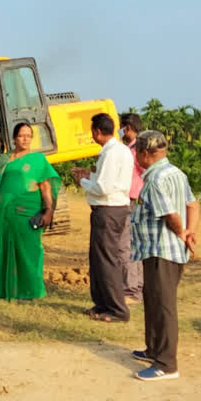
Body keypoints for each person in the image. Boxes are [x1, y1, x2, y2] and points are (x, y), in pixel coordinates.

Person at [130, 131, 199, 381]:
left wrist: (181, 232)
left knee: (163, 306)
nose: (136, 157)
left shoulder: (157, 179)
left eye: (137, 152)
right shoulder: (175, 173)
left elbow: (171, 215)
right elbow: (193, 204)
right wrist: (191, 231)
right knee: (153, 301)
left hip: (163, 251)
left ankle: (166, 364)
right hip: (157, 250)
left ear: (146, 154)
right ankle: (153, 349)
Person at [0, 123, 60, 300]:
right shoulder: (4, 160)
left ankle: (31, 291)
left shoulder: (38, 159)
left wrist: (49, 210)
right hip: (6, 212)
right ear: (14, 138)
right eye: (22, 135)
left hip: (29, 210)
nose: (25, 139)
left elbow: (45, 186)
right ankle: (4, 290)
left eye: (29, 136)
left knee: (31, 249)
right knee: (5, 249)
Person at [72, 113, 134, 322]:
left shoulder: (110, 153)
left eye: (92, 132)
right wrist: (90, 176)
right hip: (112, 209)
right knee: (99, 260)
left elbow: (103, 188)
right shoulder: (121, 150)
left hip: (108, 210)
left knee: (106, 261)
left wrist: (82, 181)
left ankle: (117, 309)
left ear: (98, 131)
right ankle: (102, 304)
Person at [119, 113, 145, 304]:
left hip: (131, 199)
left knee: (125, 245)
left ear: (128, 128)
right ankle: (137, 288)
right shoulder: (133, 148)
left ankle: (131, 290)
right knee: (134, 246)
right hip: (134, 200)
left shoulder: (135, 150)